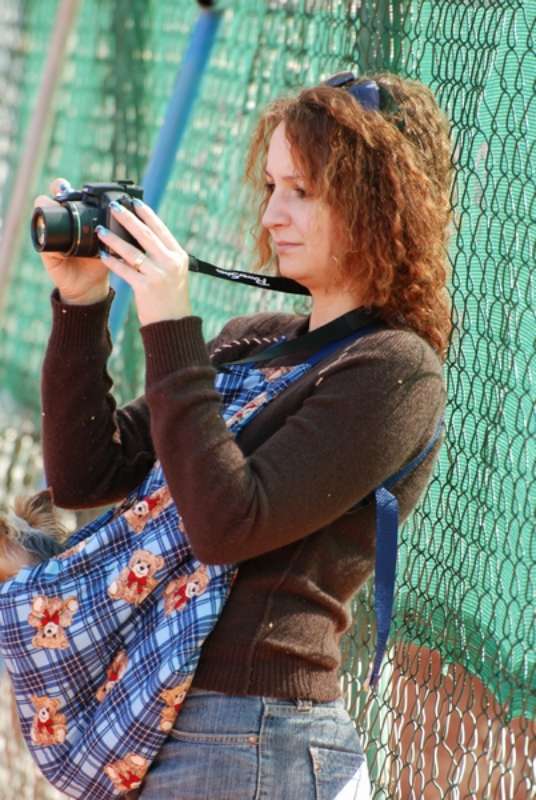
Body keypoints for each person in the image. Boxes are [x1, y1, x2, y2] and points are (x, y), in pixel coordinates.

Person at [35, 71, 453, 799]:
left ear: (382, 200)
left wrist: (170, 324)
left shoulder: (395, 369)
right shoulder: (253, 340)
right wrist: (82, 303)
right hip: (169, 716)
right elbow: (85, 475)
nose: (272, 214)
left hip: (261, 735)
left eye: (303, 191)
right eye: (271, 187)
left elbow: (228, 523)